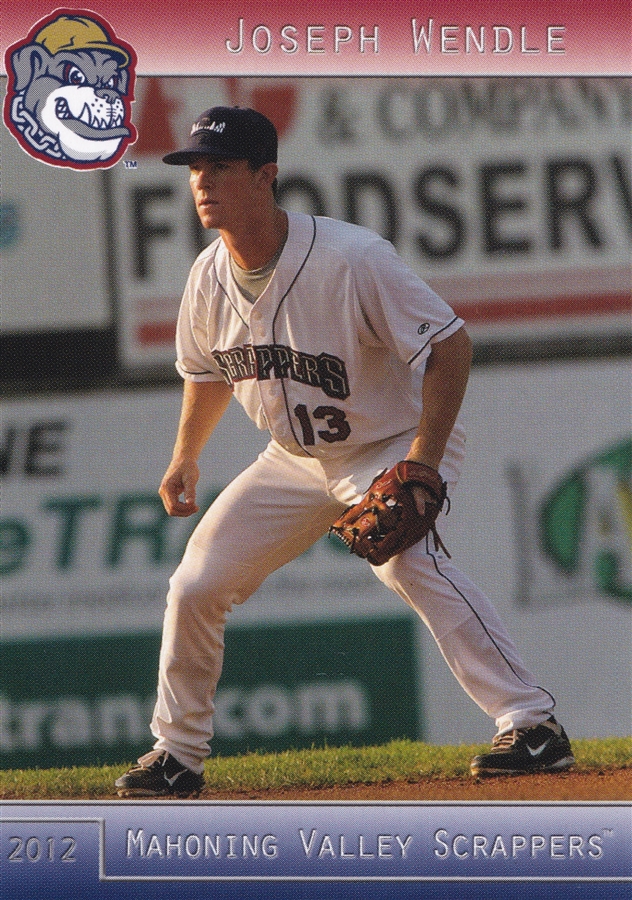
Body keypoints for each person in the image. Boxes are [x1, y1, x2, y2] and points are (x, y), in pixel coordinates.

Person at [115, 106, 574, 797]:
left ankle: (532, 723)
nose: (202, 181)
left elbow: (450, 346)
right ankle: (177, 755)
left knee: (406, 562)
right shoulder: (207, 277)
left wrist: (421, 461)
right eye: (196, 168)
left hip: (388, 442)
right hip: (294, 460)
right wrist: (186, 456)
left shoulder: (351, 258)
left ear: (266, 176)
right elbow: (206, 373)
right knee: (195, 586)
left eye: (221, 166)